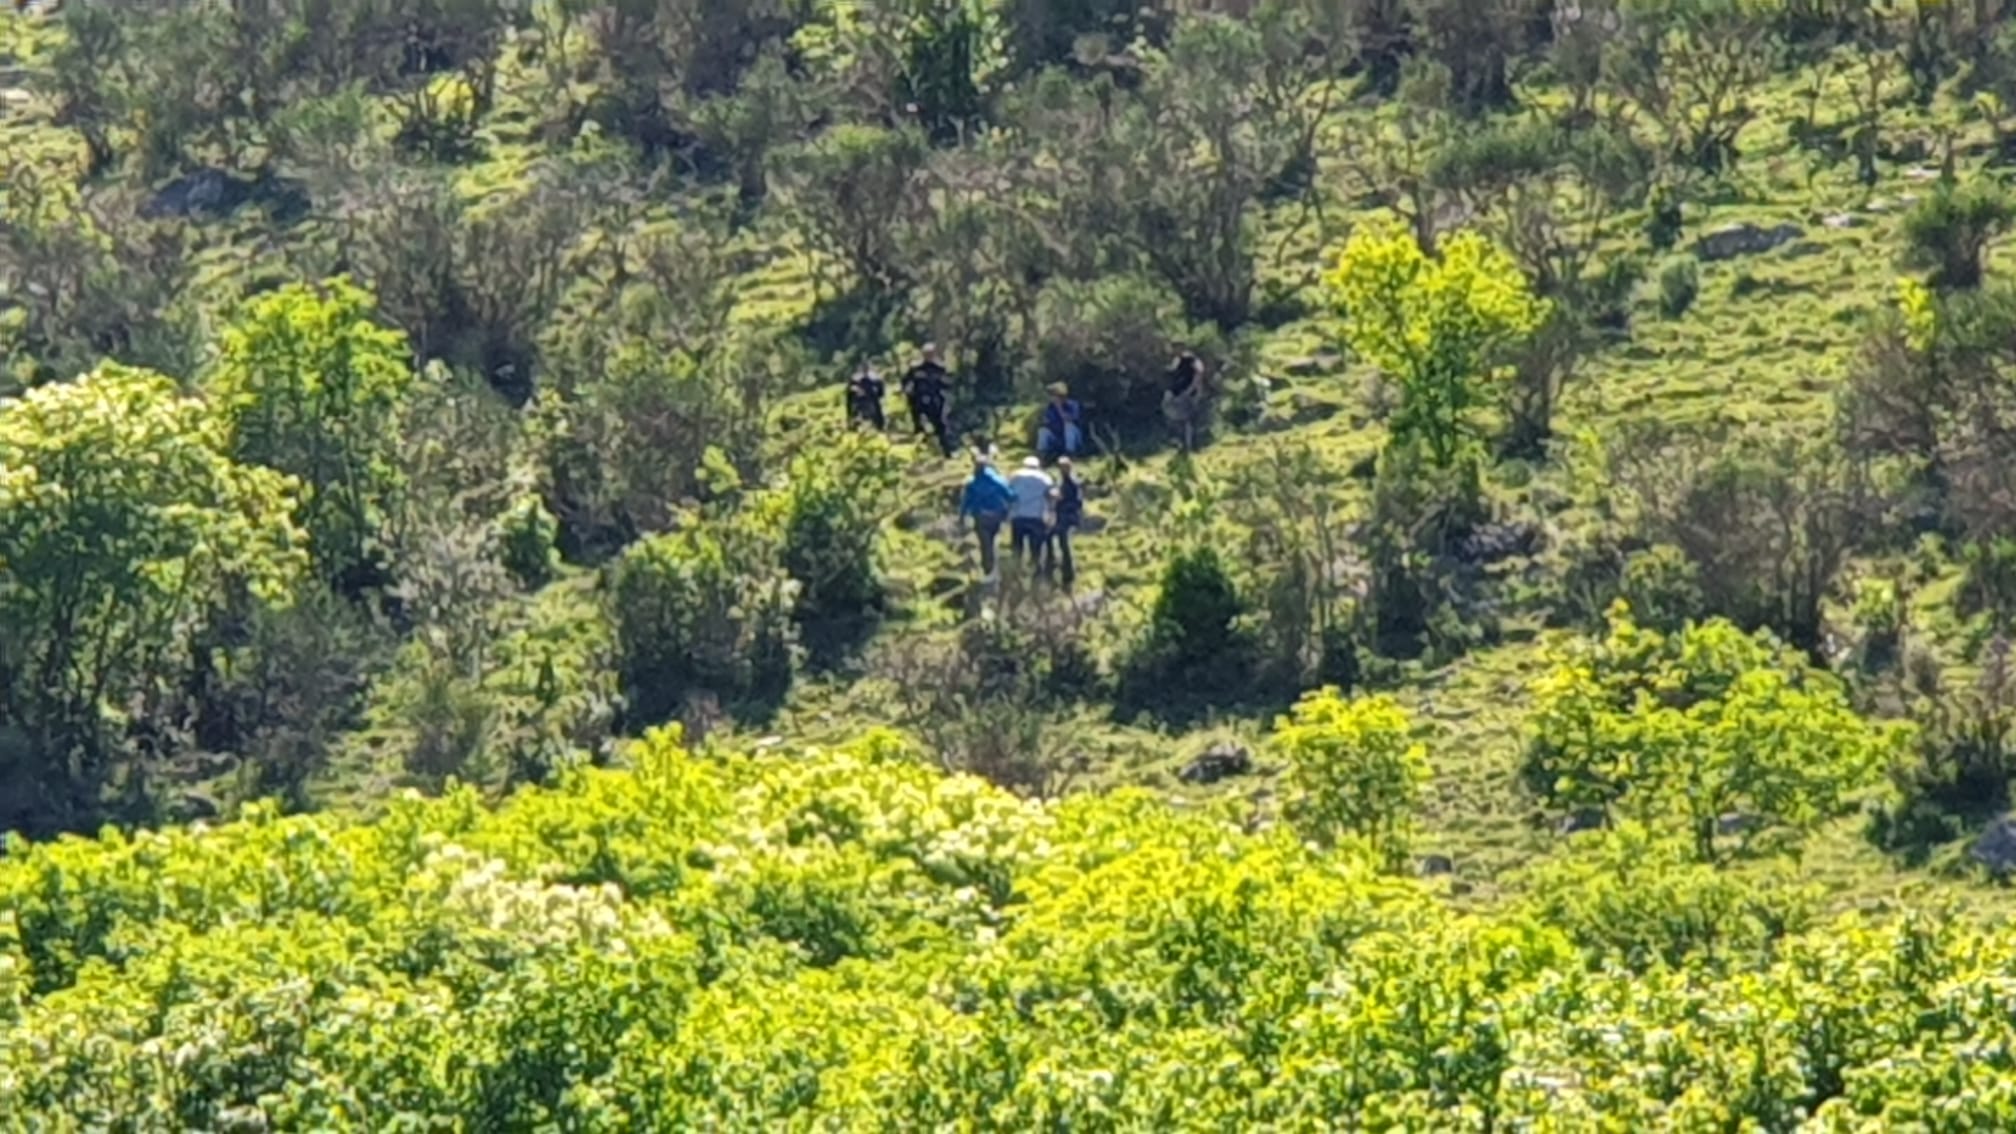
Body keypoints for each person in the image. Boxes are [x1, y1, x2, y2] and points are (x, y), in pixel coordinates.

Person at [959, 456, 1014, 575]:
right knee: (992, 538)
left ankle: (987, 566)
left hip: (980, 515)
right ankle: (991, 563)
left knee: (984, 541)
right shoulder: (998, 480)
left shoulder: (972, 482)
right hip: (996, 515)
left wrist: (962, 516)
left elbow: (966, 501)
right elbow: (1010, 496)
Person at [902, 343, 955, 457]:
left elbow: (948, 383)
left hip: (935, 401)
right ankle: (920, 453)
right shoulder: (915, 368)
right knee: (919, 426)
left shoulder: (940, 368)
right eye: (926, 354)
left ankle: (947, 452)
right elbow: (906, 382)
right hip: (919, 401)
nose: (928, 356)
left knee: (941, 426)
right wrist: (908, 393)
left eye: (930, 354)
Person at [1007, 455, 1054, 572]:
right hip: (1036, 517)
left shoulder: (1015, 476)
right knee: (1036, 548)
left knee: (1017, 547)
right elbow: (1051, 496)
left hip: (1018, 516)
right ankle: (1036, 572)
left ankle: (1016, 572)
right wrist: (1050, 514)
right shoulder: (1045, 478)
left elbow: (1008, 494)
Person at [1162, 348, 1210, 451]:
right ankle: (1182, 443)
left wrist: (1190, 392)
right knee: (1181, 419)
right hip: (1181, 392)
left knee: (1188, 419)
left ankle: (1189, 445)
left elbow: (1197, 378)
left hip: (1188, 393)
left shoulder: (1193, 362)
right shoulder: (1180, 361)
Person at [1046, 456, 1083, 588]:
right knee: (1059, 541)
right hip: (1062, 516)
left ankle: (1063, 572)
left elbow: (1075, 502)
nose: (1062, 470)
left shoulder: (1071, 483)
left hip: (1067, 517)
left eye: (1064, 467)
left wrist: (1059, 498)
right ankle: (1060, 570)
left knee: (1061, 542)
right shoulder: (1064, 482)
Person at [1036, 382, 1083, 461]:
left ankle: (1070, 455)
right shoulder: (1050, 407)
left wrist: (1059, 407)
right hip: (1058, 437)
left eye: (1053, 395)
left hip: (1074, 439)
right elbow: (1047, 422)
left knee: (1069, 427)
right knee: (1043, 431)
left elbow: (1070, 420)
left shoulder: (1073, 405)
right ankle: (1041, 456)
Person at [845, 362, 885, 431]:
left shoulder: (873, 377)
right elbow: (850, 392)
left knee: (876, 413)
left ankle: (878, 427)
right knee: (861, 414)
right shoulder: (856, 378)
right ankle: (855, 426)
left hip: (869, 399)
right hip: (862, 400)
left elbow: (880, 389)